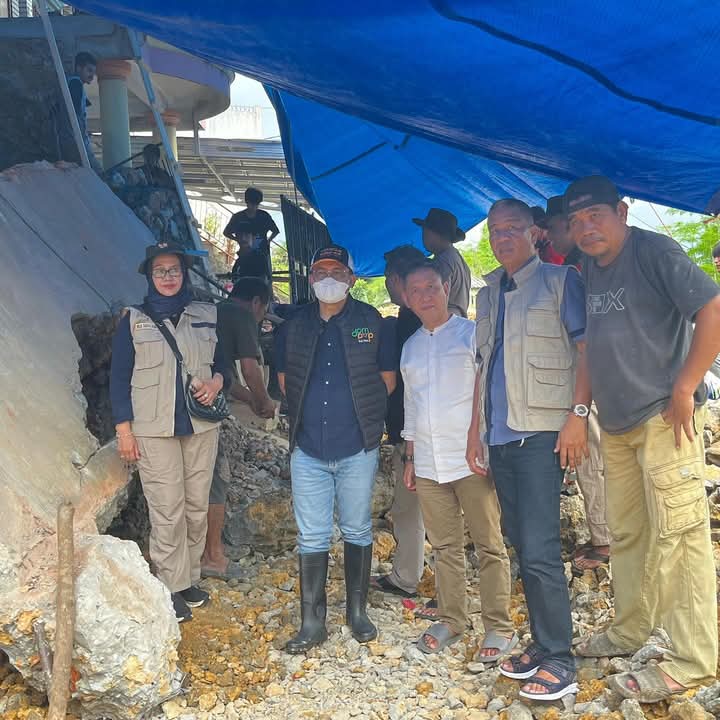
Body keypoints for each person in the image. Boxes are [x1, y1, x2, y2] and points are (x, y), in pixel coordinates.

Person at [565, 175, 720, 702]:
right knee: (629, 532)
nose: (586, 228)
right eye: (577, 220)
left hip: (664, 419)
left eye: (596, 215)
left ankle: (692, 661)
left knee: (681, 536)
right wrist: (580, 410)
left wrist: (686, 385)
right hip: (617, 423)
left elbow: (712, 309)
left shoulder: (654, 252)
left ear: (622, 212)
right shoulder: (590, 267)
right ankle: (631, 628)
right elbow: (591, 346)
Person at [467, 198, 589, 701]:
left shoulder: (561, 282)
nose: (502, 237)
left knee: (539, 548)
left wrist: (577, 417)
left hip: (542, 433)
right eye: (495, 230)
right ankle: (542, 644)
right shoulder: (488, 293)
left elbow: (586, 352)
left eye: (512, 227)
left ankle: (560, 657)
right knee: (520, 542)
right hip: (500, 437)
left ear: (535, 232)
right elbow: (483, 367)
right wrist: (476, 434)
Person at [275, 244, 396, 653]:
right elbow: (284, 382)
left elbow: (388, 381)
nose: (329, 278)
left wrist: (362, 419)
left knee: (357, 527)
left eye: (337, 271)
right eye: (321, 271)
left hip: (356, 446)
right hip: (307, 447)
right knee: (312, 535)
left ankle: (357, 612)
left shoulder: (371, 322)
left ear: (352, 279)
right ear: (310, 278)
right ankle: (312, 623)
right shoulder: (294, 325)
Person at [110, 242, 231, 623]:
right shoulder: (133, 320)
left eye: (174, 270)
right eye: (160, 270)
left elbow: (224, 364)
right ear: (150, 275)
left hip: (201, 425)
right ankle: (169, 586)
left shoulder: (206, 313)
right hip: (153, 428)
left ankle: (189, 579)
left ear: (184, 273)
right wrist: (124, 431)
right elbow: (118, 379)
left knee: (196, 507)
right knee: (167, 509)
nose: (168, 277)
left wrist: (215, 383)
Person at [401, 261, 516, 660]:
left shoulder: (470, 336)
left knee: (489, 544)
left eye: (432, 287)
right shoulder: (411, 347)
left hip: (470, 458)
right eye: (416, 290)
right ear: (406, 298)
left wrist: (477, 441)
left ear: (446, 287)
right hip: (428, 462)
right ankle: (452, 619)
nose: (425, 296)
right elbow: (411, 404)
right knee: (444, 545)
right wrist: (410, 456)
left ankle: (499, 626)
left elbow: (487, 396)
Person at [545, 195, 610, 571]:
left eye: (557, 227)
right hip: (590, 379)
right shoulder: (579, 264)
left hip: (590, 380)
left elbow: (585, 340)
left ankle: (604, 538)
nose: (552, 236)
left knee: (591, 460)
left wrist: (580, 405)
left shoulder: (578, 269)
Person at [201, 276, 274, 581]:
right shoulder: (242, 315)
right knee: (217, 477)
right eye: (264, 311)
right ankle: (212, 556)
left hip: (186, 403)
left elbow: (228, 380)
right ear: (257, 302)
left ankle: (193, 552)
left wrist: (252, 400)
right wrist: (265, 402)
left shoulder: (216, 312)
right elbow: (249, 368)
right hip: (203, 409)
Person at [370, 245, 425, 600]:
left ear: (397, 280)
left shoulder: (402, 326)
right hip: (429, 428)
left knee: (410, 508)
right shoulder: (435, 322)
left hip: (411, 430)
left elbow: (394, 383)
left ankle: (408, 577)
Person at [413, 208, 471, 317]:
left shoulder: (443, 261)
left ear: (436, 234)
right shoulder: (455, 257)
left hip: (447, 321)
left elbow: (434, 298)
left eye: (425, 232)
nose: (423, 236)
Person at [224, 187, 280, 277]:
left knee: (263, 278)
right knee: (240, 276)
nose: (254, 207)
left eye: (256, 204)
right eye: (252, 204)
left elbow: (276, 231)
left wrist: (268, 241)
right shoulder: (238, 217)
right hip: (245, 255)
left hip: (261, 256)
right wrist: (238, 240)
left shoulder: (264, 216)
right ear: (247, 202)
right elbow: (226, 232)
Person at [66, 52, 102, 173]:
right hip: (76, 141)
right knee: (97, 174)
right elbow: (74, 114)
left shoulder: (72, 83)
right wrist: (80, 135)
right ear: (78, 68)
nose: (92, 75)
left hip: (73, 139)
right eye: (89, 70)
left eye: (93, 72)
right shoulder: (75, 84)